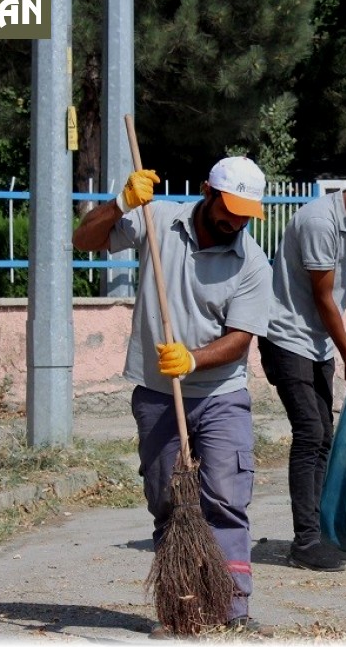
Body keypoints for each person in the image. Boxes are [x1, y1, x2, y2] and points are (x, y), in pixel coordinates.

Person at [72, 156, 274, 635]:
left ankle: (233, 613)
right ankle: (181, 613)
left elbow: (241, 338)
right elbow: (83, 239)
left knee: (226, 498)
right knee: (170, 502)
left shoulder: (252, 262)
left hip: (222, 393)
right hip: (159, 394)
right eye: (230, 209)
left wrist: (192, 359)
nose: (236, 221)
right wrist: (122, 202)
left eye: (247, 213)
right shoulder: (156, 218)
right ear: (207, 191)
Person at [259, 172, 346, 572]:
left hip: (315, 341)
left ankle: (315, 536)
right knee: (310, 432)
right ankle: (304, 543)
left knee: (324, 434)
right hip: (287, 338)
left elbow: (341, 284)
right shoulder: (321, 223)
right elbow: (324, 298)